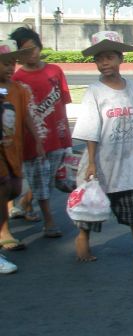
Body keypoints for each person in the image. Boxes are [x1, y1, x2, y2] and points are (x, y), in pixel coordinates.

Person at [72, 31, 133, 269]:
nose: (104, 63)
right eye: (99, 59)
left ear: (120, 59)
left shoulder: (132, 89)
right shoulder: (94, 91)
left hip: (128, 162)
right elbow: (90, 128)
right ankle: (83, 237)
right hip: (101, 162)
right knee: (92, 204)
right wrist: (91, 162)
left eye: (109, 57)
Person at [10, 27, 72, 238]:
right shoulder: (16, 78)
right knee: (41, 179)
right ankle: (49, 222)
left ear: (40, 46)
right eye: (25, 51)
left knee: (49, 178)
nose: (31, 54)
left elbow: (63, 102)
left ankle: (26, 202)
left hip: (58, 135)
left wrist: (66, 135)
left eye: (33, 48)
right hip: (33, 140)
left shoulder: (55, 71)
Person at [0, 39, 44, 272]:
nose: (10, 67)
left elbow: (25, 116)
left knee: (14, 189)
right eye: (5, 63)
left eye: (12, 63)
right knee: (3, 189)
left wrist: (37, 140)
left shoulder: (16, 89)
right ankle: (3, 233)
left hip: (13, 151)